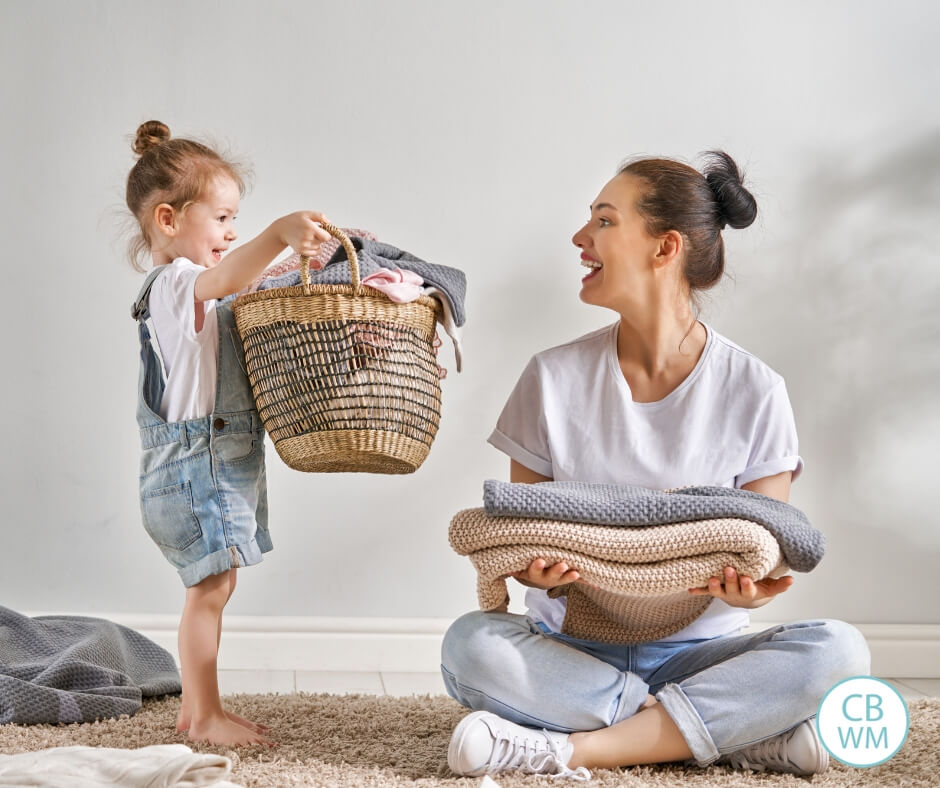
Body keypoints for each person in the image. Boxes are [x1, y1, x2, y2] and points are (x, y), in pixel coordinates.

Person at [441, 152, 870, 779]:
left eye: (605, 221)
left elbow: (768, 547)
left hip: (704, 652)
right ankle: (729, 735)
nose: (580, 238)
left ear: (664, 247)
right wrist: (536, 575)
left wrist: (758, 584)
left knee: (839, 650)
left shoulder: (754, 388)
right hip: (574, 650)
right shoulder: (551, 377)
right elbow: (522, 533)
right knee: (469, 645)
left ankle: (571, 748)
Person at [126, 120, 330, 746]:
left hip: (208, 464)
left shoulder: (192, 296)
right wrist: (277, 234)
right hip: (195, 470)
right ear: (168, 220)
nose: (233, 231)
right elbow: (229, 277)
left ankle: (196, 710)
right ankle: (207, 715)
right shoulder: (175, 284)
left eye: (236, 219)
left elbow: (235, 292)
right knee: (209, 590)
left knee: (214, 586)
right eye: (221, 218)